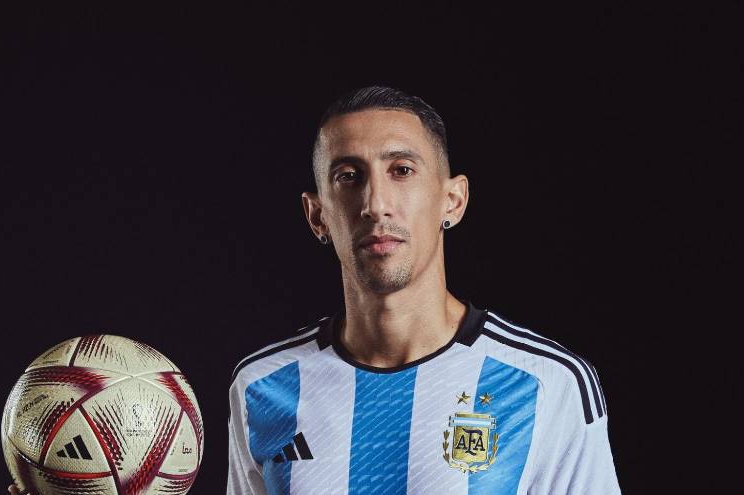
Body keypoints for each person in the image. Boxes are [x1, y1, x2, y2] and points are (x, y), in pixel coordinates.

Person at [227, 86, 620, 494]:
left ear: (453, 200)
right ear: (317, 215)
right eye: (349, 176)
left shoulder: (548, 383)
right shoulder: (261, 387)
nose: (375, 204)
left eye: (401, 170)